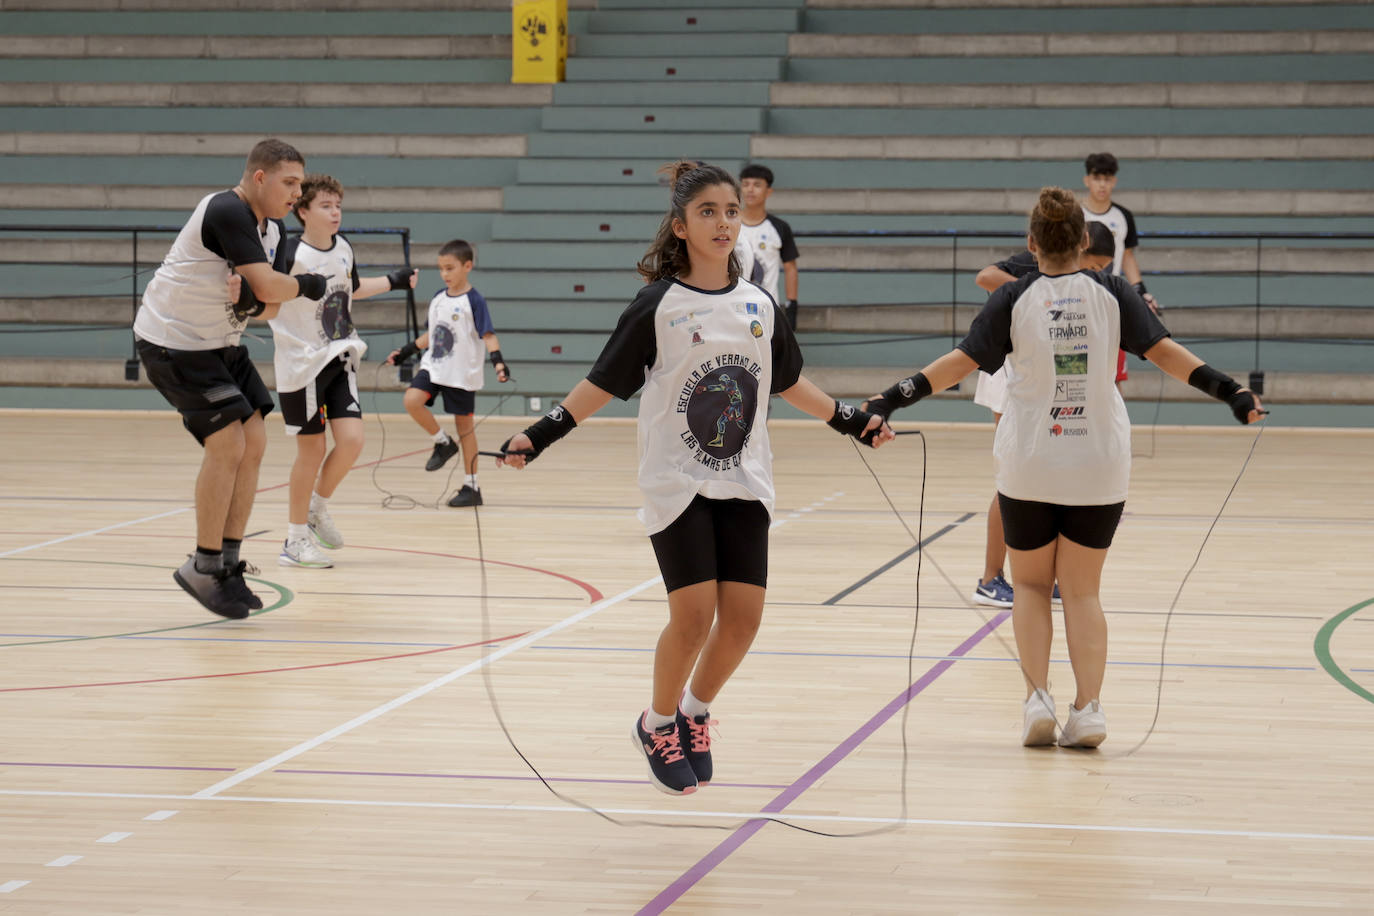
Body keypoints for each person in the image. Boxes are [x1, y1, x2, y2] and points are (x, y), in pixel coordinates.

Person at [496, 161, 892, 795]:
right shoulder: (658, 306)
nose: (723, 222)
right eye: (708, 212)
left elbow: (788, 382)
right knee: (694, 615)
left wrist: (851, 421)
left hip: (746, 480)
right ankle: (655, 723)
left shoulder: (759, 303)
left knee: (743, 620)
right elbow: (603, 382)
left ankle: (694, 712)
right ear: (680, 226)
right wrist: (540, 434)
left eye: (731, 211)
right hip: (678, 481)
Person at [865, 187, 1262, 750]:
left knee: (1029, 586)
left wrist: (887, 400)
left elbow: (956, 365)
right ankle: (1089, 709)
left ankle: (1038, 700)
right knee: (1082, 592)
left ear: (1031, 244)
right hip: (1098, 464)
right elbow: (1168, 354)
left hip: (1030, 462)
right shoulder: (1113, 292)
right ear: (1082, 242)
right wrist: (1232, 391)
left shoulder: (1012, 297)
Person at [134, 138, 329, 620]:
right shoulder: (226, 209)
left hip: (220, 344)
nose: (296, 193)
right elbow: (274, 287)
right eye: (289, 183)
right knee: (228, 444)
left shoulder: (274, 230)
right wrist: (305, 284)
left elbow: (269, 306)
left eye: (300, 184)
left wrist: (253, 302)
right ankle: (202, 565)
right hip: (174, 342)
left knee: (255, 442)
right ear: (259, 177)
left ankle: (227, 563)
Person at [269, 174, 417, 568]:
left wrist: (394, 281)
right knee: (312, 450)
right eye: (325, 206)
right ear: (303, 211)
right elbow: (267, 293)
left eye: (338, 206)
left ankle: (316, 510)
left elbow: (352, 288)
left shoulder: (344, 247)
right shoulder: (289, 252)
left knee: (352, 441)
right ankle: (294, 541)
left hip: (340, 357)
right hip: (302, 365)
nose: (335, 213)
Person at [967, 222, 1117, 609]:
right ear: (1079, 247)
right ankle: (990, 578)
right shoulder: (1039, 264)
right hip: (1010, 371)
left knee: (1043, 475)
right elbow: (985, 276)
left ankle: (1039, 576)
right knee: (1012, 476)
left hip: (1042, 373)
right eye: (1095, 266)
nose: (1098, 274)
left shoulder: (1084, 288)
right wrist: (1035, 291)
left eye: (1103, 269)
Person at [385, 239, 510, 508]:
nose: (445, 274)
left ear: (468, 266)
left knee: (465, 429)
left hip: (461, 373)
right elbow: (432, 335)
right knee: (412, 400)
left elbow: (488, 335)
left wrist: (498, 362)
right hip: (434, 365)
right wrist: (406, 351)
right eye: (441, 269)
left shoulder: (474, 301)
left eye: (450, 268)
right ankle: (442, 442)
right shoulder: (438, 298)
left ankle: (472, 486)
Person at [1082, 152, 1162, 387]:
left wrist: (1141, 291)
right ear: (1087, 180)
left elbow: (1127, 256)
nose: (1102, 184)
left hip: (1110, 301)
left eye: (1107, 179)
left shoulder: (1123, 216)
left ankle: (1114, 414)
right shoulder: (1075, 214)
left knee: (1113, 375)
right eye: (1097, 178)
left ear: (1114, 181)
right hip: (1078, 298)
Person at [733, 163, 800, 329]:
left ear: (768, 191)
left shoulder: (779, 227)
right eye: (746, 184)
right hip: (732, 307)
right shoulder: (729, 224)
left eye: (757, 185)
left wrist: (791, 306)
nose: (750, 189)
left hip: (767, 310)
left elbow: (790, 268)